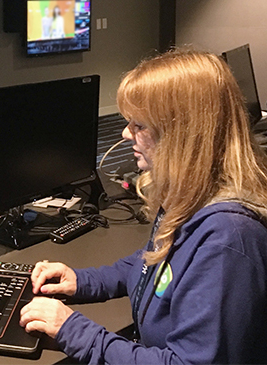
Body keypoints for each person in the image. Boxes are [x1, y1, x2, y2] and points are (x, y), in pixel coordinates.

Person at [19, 48, 267, 364]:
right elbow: (154, 263)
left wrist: (72, 329)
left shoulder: (227, 241)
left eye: (138, 125)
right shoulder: (193, 195)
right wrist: (83, 281)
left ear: (181, 136)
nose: (125, 133)